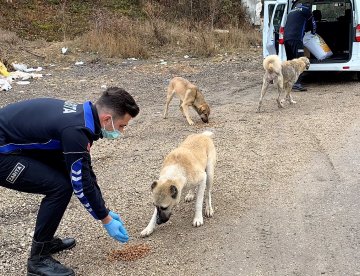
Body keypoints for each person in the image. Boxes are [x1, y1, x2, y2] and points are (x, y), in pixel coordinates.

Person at [0, 87, 140, 275]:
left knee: (63, 178)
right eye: (122, 126)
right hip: (3, 154)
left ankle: (45, 241)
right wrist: (105, 219)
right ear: (107, 119)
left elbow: (85, 170)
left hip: (13, 141)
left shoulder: (82, 117)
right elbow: (80, 183)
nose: (121, 131)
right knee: (60, 187)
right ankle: (38, 260)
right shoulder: (75, 131)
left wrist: (104, 210)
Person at [284, 2, 316, 91]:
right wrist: (314, 34)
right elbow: (313, 24)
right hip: (296, 39)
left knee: (291, 61)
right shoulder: (306, 11)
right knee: (300, 61)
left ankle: (288, 83)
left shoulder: (291, 11)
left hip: (286, 39)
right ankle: (296, 84)